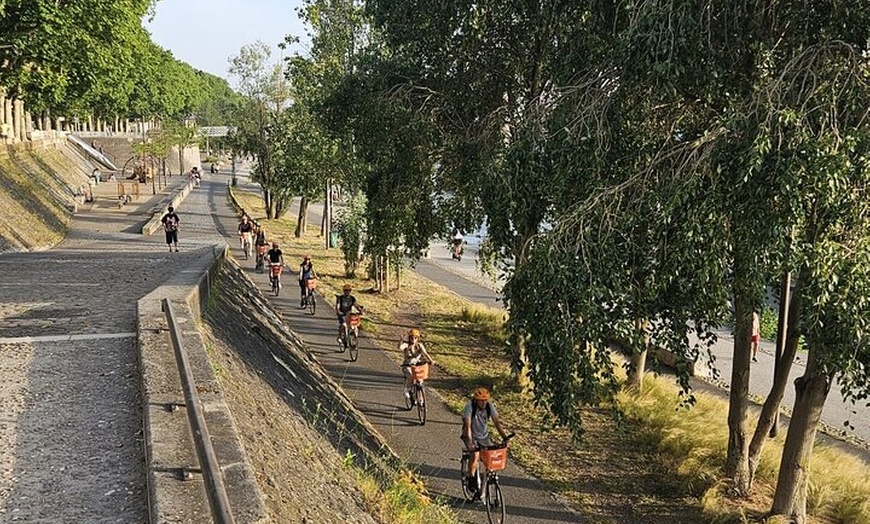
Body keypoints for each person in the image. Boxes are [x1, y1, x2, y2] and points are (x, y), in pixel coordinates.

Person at [462, 387, 510, 499]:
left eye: (485, 400)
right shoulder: (469, 407)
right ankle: (471, 477)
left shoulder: (489, 406)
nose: (483, 403)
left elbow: (497, 423)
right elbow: (467, 426)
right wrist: (470, 443)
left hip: (484, 436)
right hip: (471, 435)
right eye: (481, 401)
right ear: (476, 400)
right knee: (475, 455)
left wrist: (505, 438)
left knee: (491, 459)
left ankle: (483, 489)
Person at [400, 329, 435, 401]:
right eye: (412, 338)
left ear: (417, 339)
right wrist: (401, 340)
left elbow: (425, 354)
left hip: (417, 365)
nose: (413, 339)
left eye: (415, 338)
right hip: (407, 365)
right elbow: (400, 347)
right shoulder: (406, 345)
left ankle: (421, 399)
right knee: (410, 376)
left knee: (420, 380)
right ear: (409, 338)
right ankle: (406, 389)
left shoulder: (419, 345)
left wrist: (431, 360)